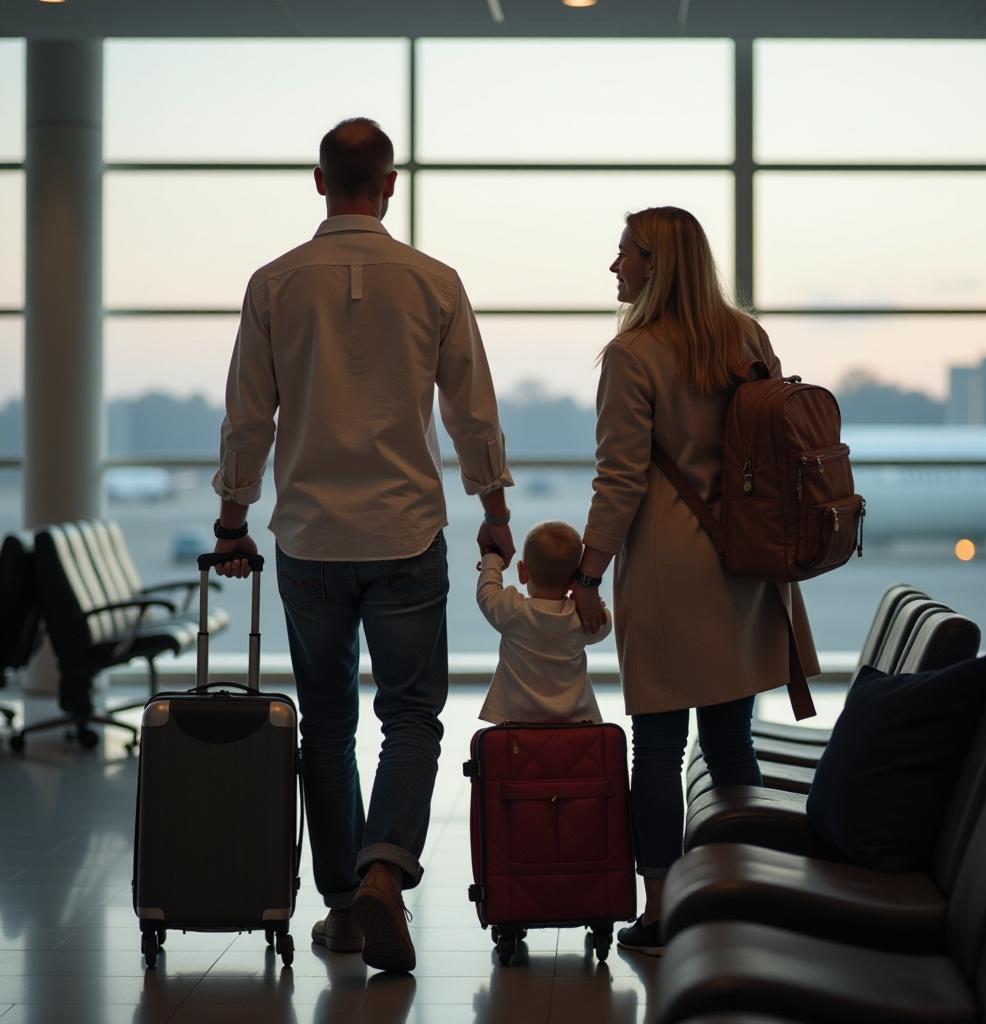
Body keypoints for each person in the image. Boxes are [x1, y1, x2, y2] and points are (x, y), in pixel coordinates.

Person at [209, 118, 515, 973]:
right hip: (407, 532)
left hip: (309, 538)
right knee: (412, 715)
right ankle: (387, 870)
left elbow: (248, 417)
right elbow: (472, 413)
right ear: (389, 184)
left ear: (318, 182)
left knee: (329, 726)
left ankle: (344, 913)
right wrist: (493, 510)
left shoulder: (274, 284)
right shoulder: (435, 282)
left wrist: (233, 519)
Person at [572, 206, 819, 957]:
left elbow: (619, 480)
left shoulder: (633, 355)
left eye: (625, 256)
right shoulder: (745, 338)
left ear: (657, 264)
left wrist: (588, 572)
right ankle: (734, 897)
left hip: (671, 567)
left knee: (657, 742)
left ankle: (659, 909)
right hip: (745, 561)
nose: (614, 269)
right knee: (728, 739)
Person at [477, 521, 611, 725]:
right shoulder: (580, 618)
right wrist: (590, 599)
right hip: (576, 724)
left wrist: (492, 559)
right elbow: (605, 623)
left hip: (515, 722)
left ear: (522, 571)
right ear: (574, 579)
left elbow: (487, 592)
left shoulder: (513, 611)